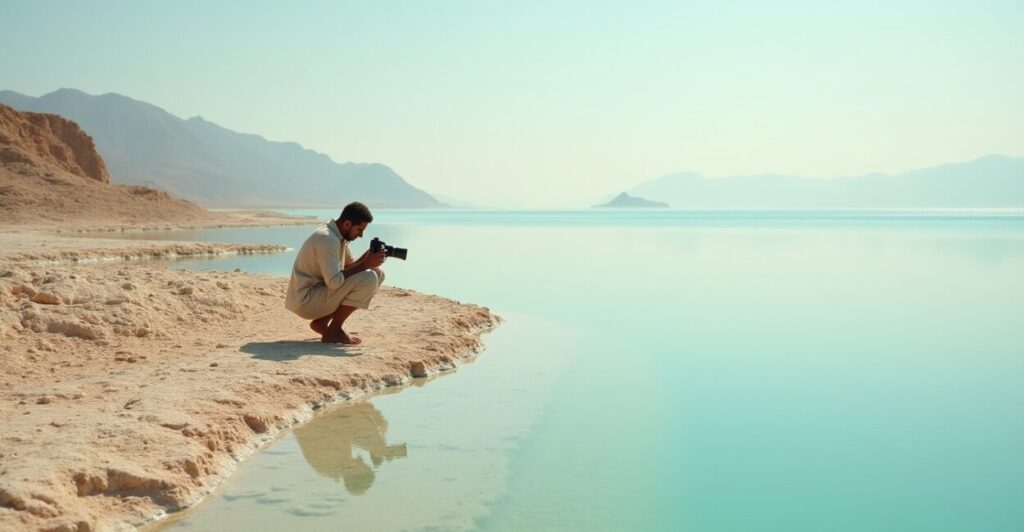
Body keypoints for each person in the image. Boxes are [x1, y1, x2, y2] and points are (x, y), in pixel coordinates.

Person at [285, 202, 387, 344]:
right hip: (306, 300)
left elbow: (350, 267)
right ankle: (334, 330)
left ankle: (322, 323)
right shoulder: (328, 239)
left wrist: (368, 256)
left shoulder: (337, 235)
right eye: (359, 230)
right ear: (347, 224)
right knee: (368, 278)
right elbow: (334, 282)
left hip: (316, 294)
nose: (361, 235)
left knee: (377, 273)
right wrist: (365, 264)